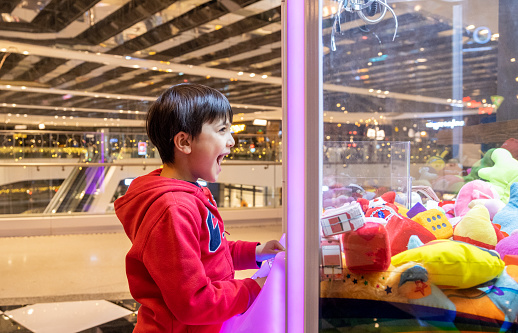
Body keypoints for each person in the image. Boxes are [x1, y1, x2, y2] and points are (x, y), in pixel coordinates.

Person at [114, 83, 284, 332]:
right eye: (222, 129)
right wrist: (253, 288)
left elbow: (210, 253)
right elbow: (194, 302)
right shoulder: (172, 210)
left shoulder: (190, 195)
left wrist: (256, 252)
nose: (232, 141)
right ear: (184, 142)